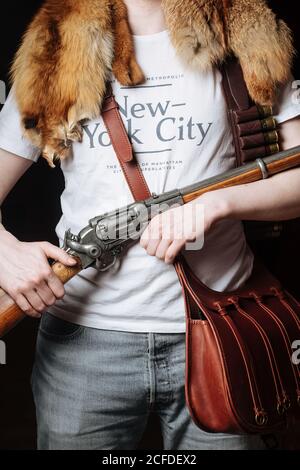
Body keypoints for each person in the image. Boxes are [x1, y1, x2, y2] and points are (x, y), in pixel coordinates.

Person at [0, 0, 300, 450]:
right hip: (84, 342)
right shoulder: (55, 46)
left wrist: (221, 202)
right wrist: (4, 252)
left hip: (220, 330)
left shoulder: (244, 31)